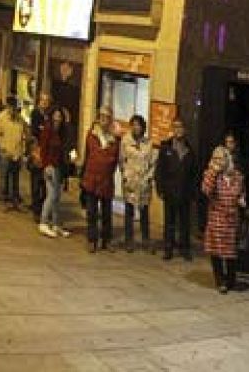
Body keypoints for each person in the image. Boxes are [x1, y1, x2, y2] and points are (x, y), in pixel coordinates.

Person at [202, 145, 248, 294]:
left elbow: (241, 192)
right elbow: (206, 190)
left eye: (221, 158)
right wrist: (213, 172)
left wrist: (241, 198)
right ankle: (220, 280)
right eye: (215, 158)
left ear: (227, 159)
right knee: (216, 251)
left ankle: (231, 280)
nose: (218, 161)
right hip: (217, 217)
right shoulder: (210, 174)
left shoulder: (237, 176)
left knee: (231, 252)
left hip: (232, 218)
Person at [157, 120, 199, 261]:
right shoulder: (166, 148)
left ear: (185, 129)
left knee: (184, 223)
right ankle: (168, 248)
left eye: (181, 127)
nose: (178, 129)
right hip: (170, 191)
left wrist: (193, 192)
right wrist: (160, 188)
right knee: (169, 222)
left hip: (185, 192)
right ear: (172, 129)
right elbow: (160, 170)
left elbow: (194, 173)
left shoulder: (190, 150)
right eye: (176, 127)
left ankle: (184, 249)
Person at [82, 108, 120, 253]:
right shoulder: (92, 135)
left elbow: (114, 158)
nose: (104, 119)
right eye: (102, 116)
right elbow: (89, 154)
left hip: (106, 180)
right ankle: (92, 240)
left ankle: (106, 240)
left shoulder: (114, 138)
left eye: (107, 117)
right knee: (91, 212)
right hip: (92, 178)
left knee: (106, 213)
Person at [120, 115, 157, 253]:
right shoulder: (125, 141)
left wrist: (149, 178)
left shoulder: (148, 143)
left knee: (144, 212)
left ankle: (145, 239)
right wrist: (125, 175)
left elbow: (153, 163)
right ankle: (129, 240)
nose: (136, 127)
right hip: (130, 182)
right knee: (129, 211)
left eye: (139, 125)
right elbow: (121, 161)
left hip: (144, 183)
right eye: (134, 124)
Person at [35, 106, 72, 238]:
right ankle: (43, 222)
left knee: (56, 196)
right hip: (50, 167)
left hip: (59, 167)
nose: (58, 119)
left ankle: (56, 224)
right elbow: (43, 149)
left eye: (60, 116)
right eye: (56, 116)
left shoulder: (61, 132)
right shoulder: (48, 130)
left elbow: (67, 145)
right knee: (51, 195)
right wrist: (45, 165)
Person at [0, 97, 27, 211]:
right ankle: (3, 201)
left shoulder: (20, 119)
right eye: (11, 108)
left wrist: (22, 151)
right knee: (4, 178)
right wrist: (2, 146)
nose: (13, 110)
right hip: (5, 153)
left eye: (14, 108)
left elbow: (24, 135)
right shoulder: (1, 117)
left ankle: (15, 201)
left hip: (17, 154)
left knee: (15, 179)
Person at [27, 93, 52, 216]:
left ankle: (41, 205)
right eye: (43, 100)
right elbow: (35, 131)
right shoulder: (35, 114)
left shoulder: (49, 115)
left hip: (46, 152)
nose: (45, 103)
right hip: (37, 149)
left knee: (43, 182)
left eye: (47, 100)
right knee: (36, 179)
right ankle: (36, 207)